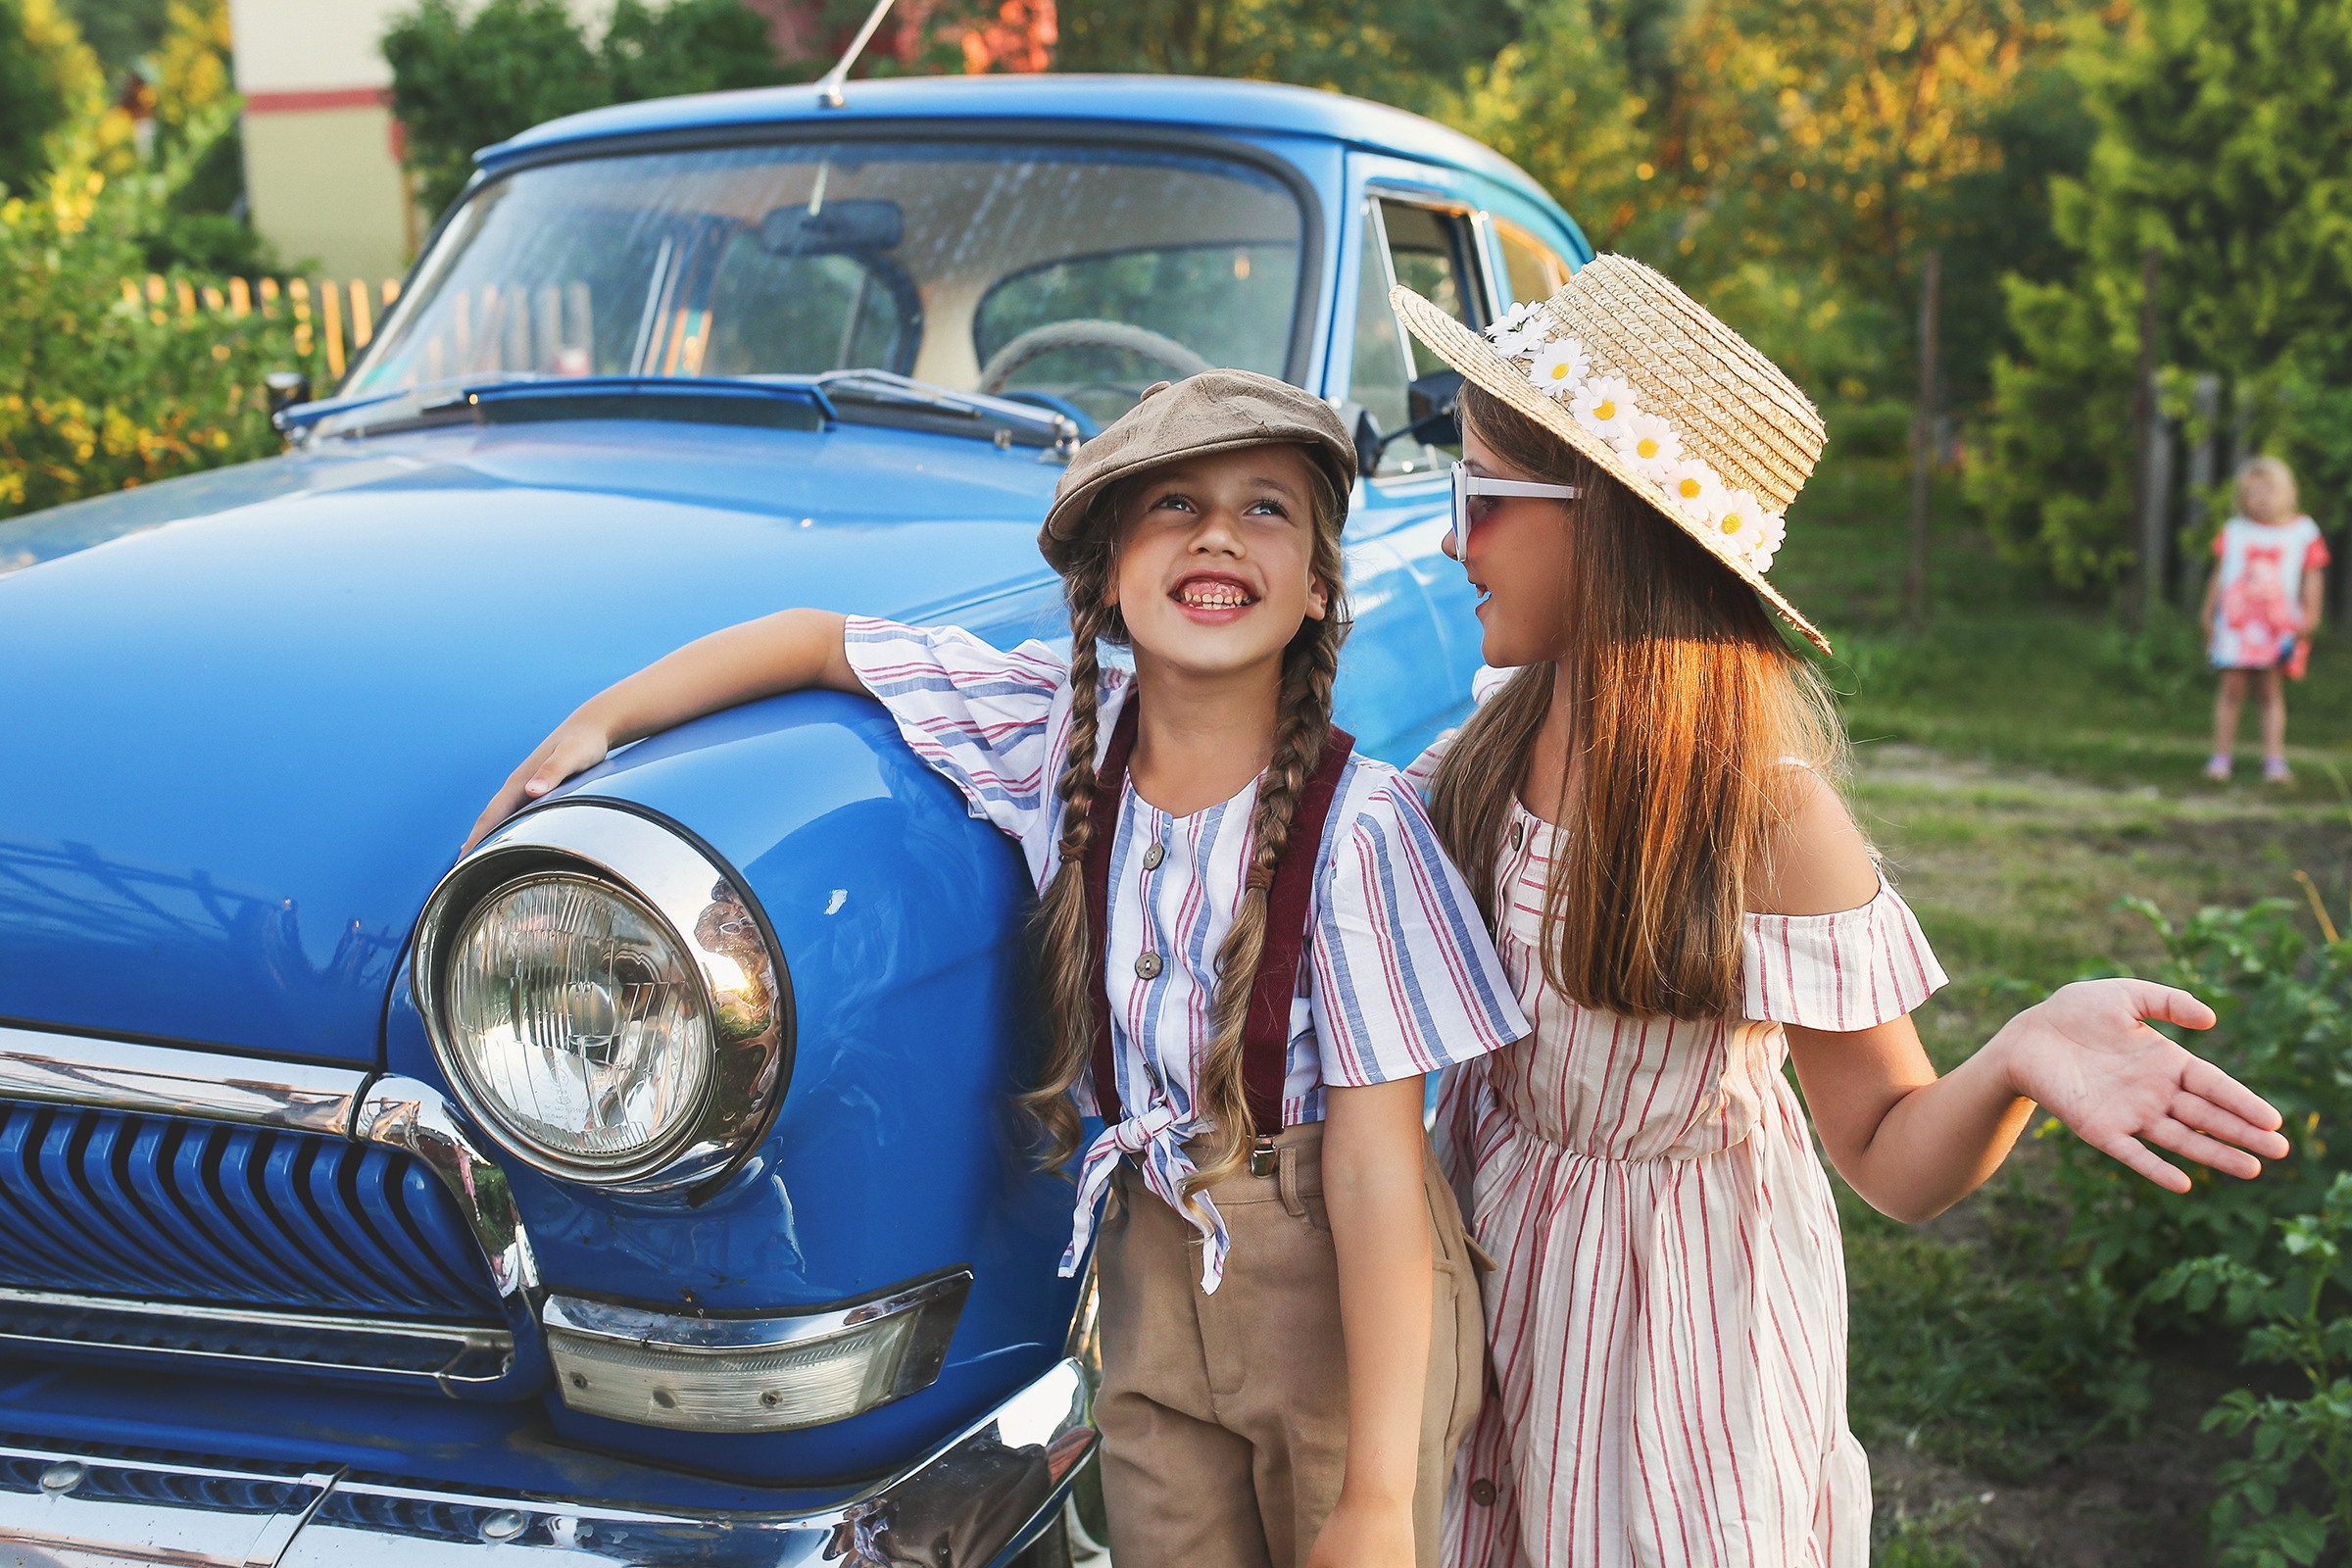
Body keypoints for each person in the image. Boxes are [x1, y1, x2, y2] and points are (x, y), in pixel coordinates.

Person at [464, 370, 1528, 1568]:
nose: (1219, 534)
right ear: (1109, 575)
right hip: (1151, 1267)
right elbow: (820, 643)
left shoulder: (1360, 830)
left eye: (1265, 508)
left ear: (1320, 584)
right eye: (1174, 505)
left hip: (1332, 1286)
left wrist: (1379, 1494)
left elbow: (1379, 1173)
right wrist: (605, 722)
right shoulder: (1055, 734)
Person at [1381, 259, 2293, 1568]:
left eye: (1481, 495)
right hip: (1495, 1281)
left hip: (1681, 1349)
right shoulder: (1486, 748)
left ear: (1613, 525)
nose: (1453, 539)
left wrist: (2016, 1054)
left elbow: (1885, 1149)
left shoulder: (1763, 818)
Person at [2201, 455, 2327, 783]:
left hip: (2277, 628)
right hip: (2236, 627)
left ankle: (2274, 760)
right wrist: (2208, 612)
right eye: (2253, 492)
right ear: (2241, 497)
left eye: (2270, 490)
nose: (2261, 498)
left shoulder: (2303, 532)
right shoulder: (2235, 530)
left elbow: (2312, 576)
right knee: (2231, 689)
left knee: (2270, 692)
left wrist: (2311, 614)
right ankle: (2220, 758)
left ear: (2290, 492)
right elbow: (2220, 573)